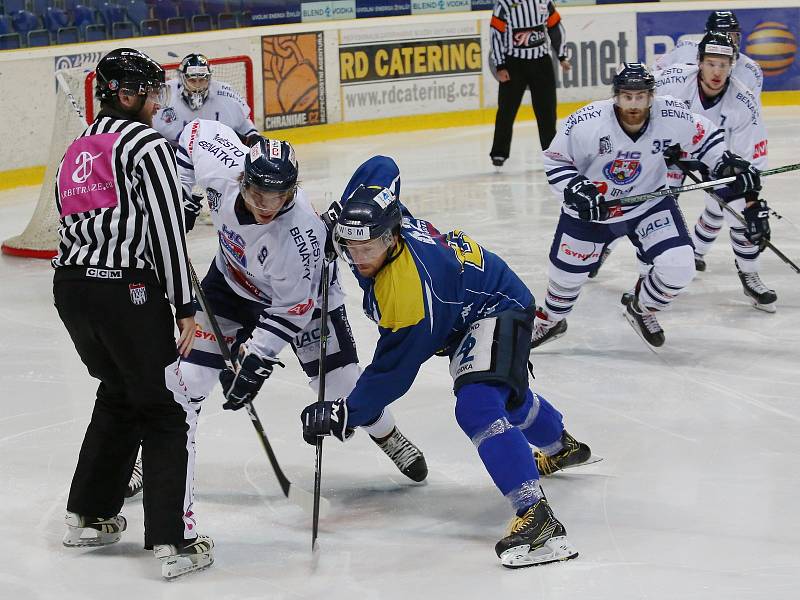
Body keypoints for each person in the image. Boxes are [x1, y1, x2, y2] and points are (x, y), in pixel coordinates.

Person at [301, 156, 593, 568]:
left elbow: (391, 375)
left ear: (391, 239)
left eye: (367, 247)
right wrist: (343, 211)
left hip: (494, 307)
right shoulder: (380, 219)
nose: (357, 256)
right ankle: (561, 446)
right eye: (350, 244)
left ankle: (536, 515)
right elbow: (382, 167)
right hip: (467, 308)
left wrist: (344, 414)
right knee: (506, 396)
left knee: (478, 404)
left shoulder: (409, 295)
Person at [172, 119, 428, 482]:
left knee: (343, 387)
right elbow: (193, 132)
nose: (267, 206)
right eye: (259, 194)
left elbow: (293, 309)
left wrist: (256, 359)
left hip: (305, 301)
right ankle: (152, 453)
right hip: (230, 286)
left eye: (279, 197)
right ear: (243, 179)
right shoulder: (223, 164)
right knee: (189, 377)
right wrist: (182, 193)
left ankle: (388, 435)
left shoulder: (299, 235)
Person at [52, 48, 213, 580]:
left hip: (72, 289)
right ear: (126, 94)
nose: (155, 104)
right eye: (149, 93)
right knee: (166, 408)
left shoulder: (76, 148)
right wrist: (186, 306)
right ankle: (174, 542)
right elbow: (168, 230)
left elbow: (70, 221)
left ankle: (89, 514)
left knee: (120, 393)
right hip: (126, 290)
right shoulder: (146, 145)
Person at [532, 63, 761, 348]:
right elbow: (556, 158)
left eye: (640, 97)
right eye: (627, 97)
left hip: (648, 204)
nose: (633, 104)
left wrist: (723, 161)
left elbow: (703, 134)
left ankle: (641, 307)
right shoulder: (587, 122)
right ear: (616, 96)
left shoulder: (671, 114)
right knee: (565, 279)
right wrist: (575, 189)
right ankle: (550, 321)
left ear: (652, 96)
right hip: (596, 211)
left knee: (680, 265)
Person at [654, 32, 774, 311]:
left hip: (717, 157)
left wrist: (752, 199)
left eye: (723, 64)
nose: (717, 71)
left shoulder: (743, 101)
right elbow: (637, 107)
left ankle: (750, 273)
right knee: (656, 210)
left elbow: (749, 158)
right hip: (671, 152)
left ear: (732, 64)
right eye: (711, 63)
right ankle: (648, 273)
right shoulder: (671, 82)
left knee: (741, 211)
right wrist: (658, 142)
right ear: (699, 62)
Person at [489, 0, 570, 168]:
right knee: (506, 110)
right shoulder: (504, 4)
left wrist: (562, 56)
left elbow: (555, 27)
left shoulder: (544, 1)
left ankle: (551, 151)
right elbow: (495, 34)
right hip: (513, 65)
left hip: (541, 63)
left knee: (547, 111)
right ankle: (499, 152)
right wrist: (500, 65)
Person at [153, 53, 260, 147]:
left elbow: (249, 132)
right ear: (182, 78)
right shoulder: (165, 95)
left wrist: (255, 142)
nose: (198, 86)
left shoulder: (226, 95)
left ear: (209, 78)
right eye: (192, 80)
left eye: (202, 80)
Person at [654, 10, 763, 101]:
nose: (725, 40)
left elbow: (751, 111)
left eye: (731, 34)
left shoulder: (751, 70)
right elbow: (657, 71)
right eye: (720, 34)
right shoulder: (686, 48)